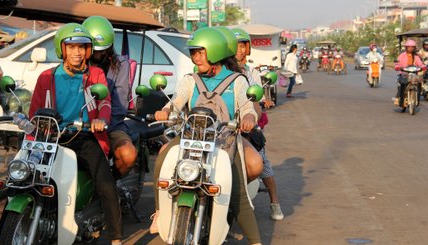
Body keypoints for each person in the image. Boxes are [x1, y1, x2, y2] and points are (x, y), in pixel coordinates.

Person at [150, 27, 263, 245]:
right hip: (192, 135)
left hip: (224, 140)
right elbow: (177, 101)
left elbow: (248, 107)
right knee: (163, 158)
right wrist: (166, 110)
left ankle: (256, 241)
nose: (195, 57)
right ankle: (159, 211)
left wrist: (248, 118)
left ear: (215, 52)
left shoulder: (237, 81)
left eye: (200, 52)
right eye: (194, 53)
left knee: (237, 191)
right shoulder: (190, 79)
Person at [28, 23, 123, 245]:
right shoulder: (46, 77)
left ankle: (116, 238)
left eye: (82, 47)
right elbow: (34, 114)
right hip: (53, 138)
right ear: (62, 49)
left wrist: (101, 120)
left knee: (106, 185)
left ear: (88, 50)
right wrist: (33, 137)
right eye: (71, 47)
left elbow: (105, 103)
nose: (77, 53)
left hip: (84, 136)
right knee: (25, 176)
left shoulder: (96, 74)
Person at [233, 27, 284, 221]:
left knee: (262, 163)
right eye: (235, 46)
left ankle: (274, 203)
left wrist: (252, 117)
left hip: (247, 124)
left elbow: (256, 103)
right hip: (224, 125)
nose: (238, 50)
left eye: (242, 46)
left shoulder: (251, 73)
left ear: (248, 48)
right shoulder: (222, 70)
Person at [82, 16, 137, 176]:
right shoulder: (77, 64)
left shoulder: (121, 65)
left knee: (128, 155)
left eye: (103, 50)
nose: (98, 54)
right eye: (95, 50)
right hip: (78, 125)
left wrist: (103, 123)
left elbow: (120, 104)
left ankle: (113, 183)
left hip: (111, 125)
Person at [394, 39, 425, 106]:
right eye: (409, 47)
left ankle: (417, 100)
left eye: (412, 47)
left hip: (414, 73)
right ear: (406, 47)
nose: (410, 48)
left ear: (414, 48)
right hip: (404, 73)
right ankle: (400, 99)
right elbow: (397, 63)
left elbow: (420, 63)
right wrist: (397, 66)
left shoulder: (416, 56)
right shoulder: (402, 55)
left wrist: (423, 67)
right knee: (402, 83)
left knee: (419, 83)